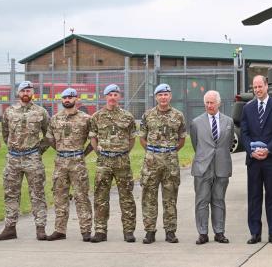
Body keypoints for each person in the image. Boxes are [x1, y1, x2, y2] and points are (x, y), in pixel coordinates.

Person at [0, 81, 50, 241]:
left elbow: (49, 135)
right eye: (23, 90)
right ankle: (10, 228)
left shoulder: (41, 112)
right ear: (18, 93)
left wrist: (38, 150)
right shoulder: (9, 112)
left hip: (33, 158)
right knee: (11, 193)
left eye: (29, 90)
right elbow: (5, 133)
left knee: (37, 193)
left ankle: (40, 228)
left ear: (32, 92)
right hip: (13, 158)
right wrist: (15, 148)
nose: (26, 93)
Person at [240, 75, 272, 245]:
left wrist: (268, 149)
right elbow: (244, 133)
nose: (258, 90)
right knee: (254, 197)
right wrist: (251, 151)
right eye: (255, 87)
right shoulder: (248, 108)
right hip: (253, 160)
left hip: (271, 159)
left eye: (260, 86)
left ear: (267, 86)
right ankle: (255, 233)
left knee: (271, 196)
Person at [89, 84, 137, 243]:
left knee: (127, 196)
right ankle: (100, 231)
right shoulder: (97, 116)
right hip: (104, 161)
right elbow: (93, 137)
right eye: (110, 94)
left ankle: (129, 231)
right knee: (101, 196)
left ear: (119, 97)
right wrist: (100, 153)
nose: (113, 97)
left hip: (122, 161)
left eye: (116, 94)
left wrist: (122, 152)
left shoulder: (127, 116)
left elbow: (132, 139)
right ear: (105, 97)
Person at [139, 83, 186, 244]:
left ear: (170, 96)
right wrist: (154, 151)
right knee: (149, 196)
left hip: (170, 162)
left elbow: (182, 139)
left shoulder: (178, 115)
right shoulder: (148, 115)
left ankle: (170, 231)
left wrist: (169, 151)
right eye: (160, 95)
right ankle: (150, 231)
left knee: (170, 197)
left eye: (166, 94)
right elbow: (142, 139)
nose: (163, 97)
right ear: (156, 97)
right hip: (151, 162)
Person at [45, 88, 93, 242]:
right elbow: (50, 139)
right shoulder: (55, 119)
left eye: (70, 97)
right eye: (64, 97)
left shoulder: (86, 119)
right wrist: (61, 151)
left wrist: (81, 154)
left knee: (81, 196)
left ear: (76, 99)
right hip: (60, 162)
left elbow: (93, 140)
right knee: (59, 196)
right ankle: (60, 230)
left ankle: (85, 230)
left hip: (77, 162)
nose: (67, 100)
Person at [190, 90, 234, 245]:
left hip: (222, 166)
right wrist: (205, 157)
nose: (209, 105)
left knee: (219, 200)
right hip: (202, 167)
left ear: (218, 103)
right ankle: (202, 233)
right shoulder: (196, 122)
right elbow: (196, 144)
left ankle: (219, 232)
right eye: (207, 103)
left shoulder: (229, 122)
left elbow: (228, 144)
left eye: (212, 102)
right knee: (201, 201)